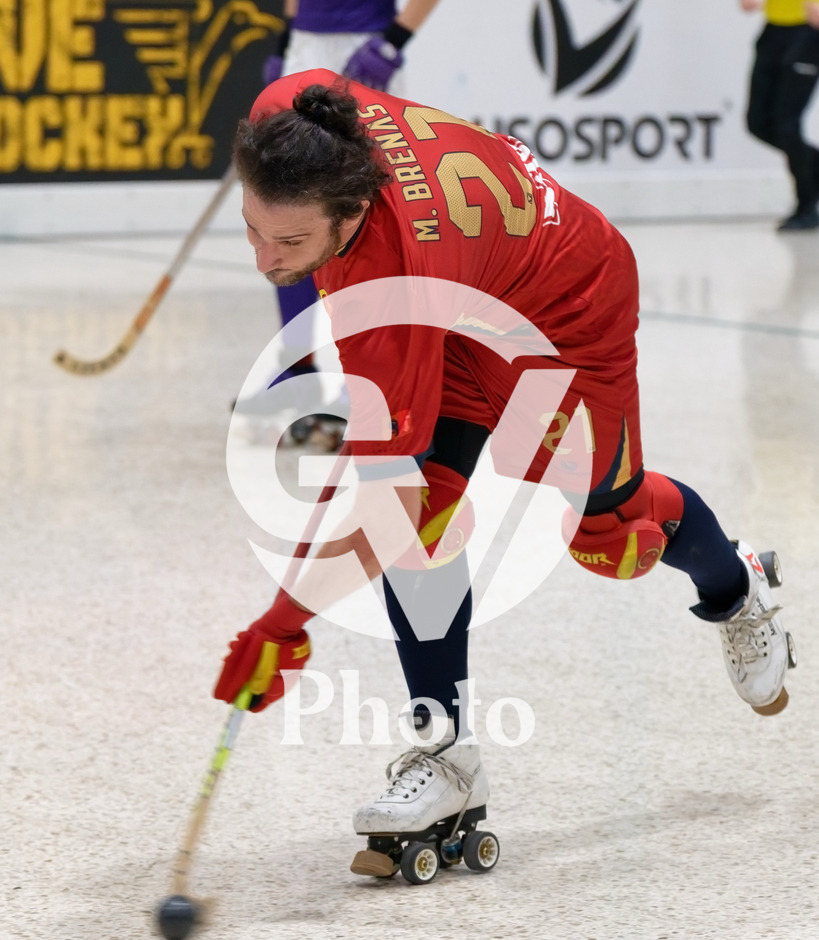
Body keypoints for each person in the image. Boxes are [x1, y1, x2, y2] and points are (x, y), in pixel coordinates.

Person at [215, 69, 797, 878]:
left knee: (610, 537)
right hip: (462, 292)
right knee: (425, 521)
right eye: (251, 229)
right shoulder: (292, 115)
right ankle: (447, 759)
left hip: (562, 309)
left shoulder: (389, 278)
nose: (263, 260)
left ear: (348, 213)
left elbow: (382, 502)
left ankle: (737, 585)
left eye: (289, 245)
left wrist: (282, 621)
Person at [235, 0, 442, 435]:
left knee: (368, 211)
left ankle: (367, 380)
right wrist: (288, 39)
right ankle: (296, 370)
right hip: (307, 45)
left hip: (365, 43)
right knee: (289, 209)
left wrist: (394, 41)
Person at [740, 0, 819, 230]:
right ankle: (814, 166)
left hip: (806, 30)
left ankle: (807, 206)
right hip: (773, 31)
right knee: (758, 122)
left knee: (787, 125)